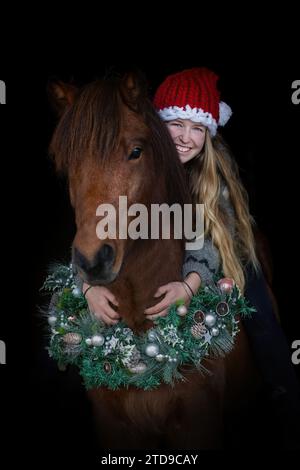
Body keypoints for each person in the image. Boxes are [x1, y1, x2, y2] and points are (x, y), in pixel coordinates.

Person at [82, 67, 300, 447]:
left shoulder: (208, 176)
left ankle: (284, 398)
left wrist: (192, 281)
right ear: (157, 129)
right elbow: (98, 231)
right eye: (177, 124)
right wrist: (86, 286)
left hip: (221, 252)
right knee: (70, 323)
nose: (186, 137)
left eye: (197, 128)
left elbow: (211, 243)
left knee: (258, 310)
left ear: (208, 134)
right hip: (164, 262)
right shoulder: (138, 170)